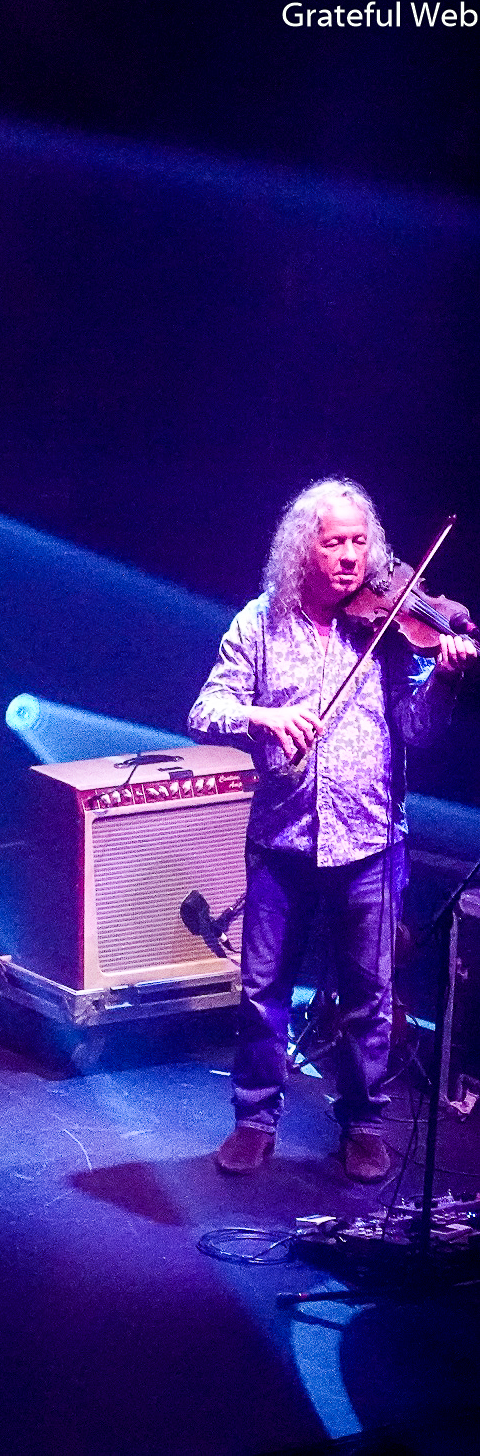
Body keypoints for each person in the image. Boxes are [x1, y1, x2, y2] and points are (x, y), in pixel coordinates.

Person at [188, 478, 471, 1182]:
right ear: (301, 551)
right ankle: (254, 1119)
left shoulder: (387, 629)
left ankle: (363, 1124)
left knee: (366, 995)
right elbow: (205, 709)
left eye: (358, 542)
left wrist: (443, 678)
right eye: (333, 542)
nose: (349, 557)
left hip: (369, 839)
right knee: (262, 991)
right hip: (281, 839)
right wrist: (262, 718)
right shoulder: (259, 623)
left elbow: (413, 728)